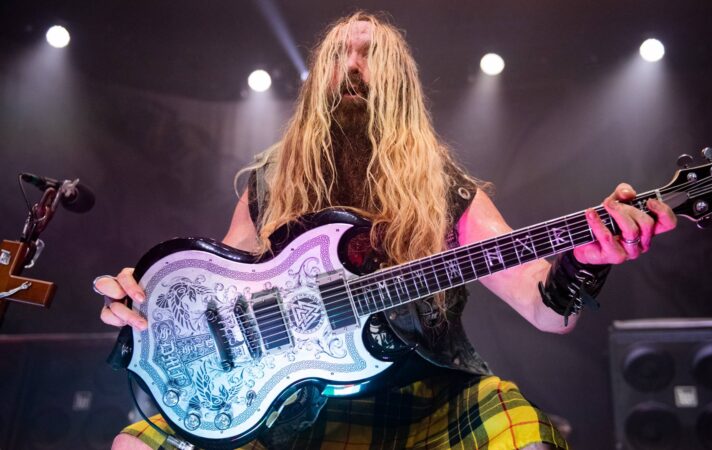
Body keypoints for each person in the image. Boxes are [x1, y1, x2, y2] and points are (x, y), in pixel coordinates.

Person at [94, 12, 677, 450]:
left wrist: (587, 258)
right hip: (292, 409)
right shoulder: (269, 182)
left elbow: (544, 307)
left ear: (397, 79)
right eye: (340, 57)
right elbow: (221, 287)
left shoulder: (445, 188)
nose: (352, 67)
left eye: (368, 55)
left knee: (524, 436)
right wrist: (146, 301)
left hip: (424, 400)